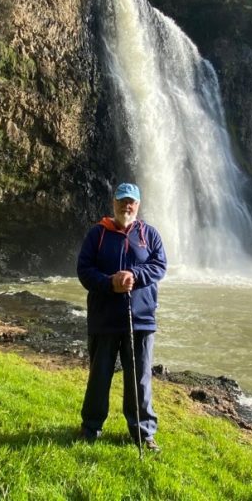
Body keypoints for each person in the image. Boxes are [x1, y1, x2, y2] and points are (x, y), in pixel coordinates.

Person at [77, 182, 167, 452]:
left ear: (138, 205)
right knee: (99, 376)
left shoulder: (149, 234)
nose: (126, 206)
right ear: (113, 203)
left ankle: (143, 433)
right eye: (122, 200)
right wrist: (109, 283)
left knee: (140, 378)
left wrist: (134, 276)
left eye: (132, 201)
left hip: (141, 319)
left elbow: (160, 265)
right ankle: (90, 428)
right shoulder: (97, 234)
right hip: (104, 318)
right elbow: (84, 270)